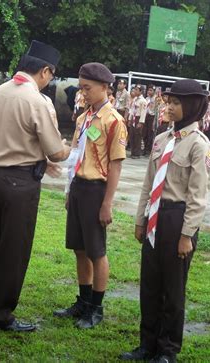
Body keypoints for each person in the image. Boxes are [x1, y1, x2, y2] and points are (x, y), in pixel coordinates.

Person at [0, 40, 70, 332]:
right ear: (45, 71)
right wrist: (68, 149)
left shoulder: (0, 91)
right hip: (19, 183)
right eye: (51, 75)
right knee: (13, 250)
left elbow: (3, 129)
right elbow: (55, 151)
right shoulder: (38, 101)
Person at [120, 79, 210, 363]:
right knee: (150, 285)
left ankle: (167, 350)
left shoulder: (199, 146)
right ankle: (146, 344)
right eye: (168, 102)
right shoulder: (162, 140)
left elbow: (197, 197)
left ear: (192, 107)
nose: (169, 107)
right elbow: (148, 185)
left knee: (173, 290)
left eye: (175, 103)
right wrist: (140, 219)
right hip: (154, 217)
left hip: (177, 218)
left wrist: (187, 235)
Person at [54, 62, 127, 329]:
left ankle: (96, 308)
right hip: (79, 188)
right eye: (81, 87)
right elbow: (75, 155)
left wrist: (107, 203)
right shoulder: (84, 118)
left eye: (88, 88)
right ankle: (83, 302)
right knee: (79, 248)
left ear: (105, 87)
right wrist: (68, 189)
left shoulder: (113, 121)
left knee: (97, 251)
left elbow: (116, 165)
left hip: (97, 190)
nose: (83, 93)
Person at [129, 85, 147, 159]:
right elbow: (132, 110)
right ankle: (132, 152)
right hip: (133, 117)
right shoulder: (135, 99)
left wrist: (141, 122)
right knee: (132, 135)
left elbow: (143, 112)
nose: (135, 91)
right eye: (135, 89)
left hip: (138, 118)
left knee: (137, 136)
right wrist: (130, 119)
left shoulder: (143, 101)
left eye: (137, 90)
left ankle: (137, 153)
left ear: (141, 91)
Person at [143, 85, 156, 156]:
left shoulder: (156, 99)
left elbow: (157, 110)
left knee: (150, 133)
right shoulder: (147, 98)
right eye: (148, 90)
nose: (149, 91)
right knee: (145, 132)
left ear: (154, 91)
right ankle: (145, 148)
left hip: (152, 116)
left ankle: (148, 150)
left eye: (151, 90)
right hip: (146, 116)